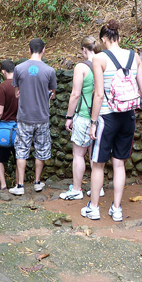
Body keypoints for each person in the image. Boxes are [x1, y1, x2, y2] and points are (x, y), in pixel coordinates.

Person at [83, 20, 142, 221]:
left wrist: (93, 122)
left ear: (103, 39)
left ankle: (94, 208)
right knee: (119, 163)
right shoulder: (134, 56)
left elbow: (99, 94)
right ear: (119, 38)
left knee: (98, 164)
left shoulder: (100, 58)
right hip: (128, 117)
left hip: (106, 117)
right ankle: (117, 209)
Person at [9, 38, 57, 195]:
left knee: (21, 150)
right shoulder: (50, 71)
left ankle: (20, 186)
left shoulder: (19, 68)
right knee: (41, 150)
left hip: (24, 117)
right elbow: (52, 94)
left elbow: (16, 92)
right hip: (42, 117)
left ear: (29, 50)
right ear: (44, 50)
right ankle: (37, 182)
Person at [60, 36, 105, 200]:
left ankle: (77, 189)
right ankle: (97, 188)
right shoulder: (104, 63)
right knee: (96, 154)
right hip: (101, 116)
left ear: (84, 49)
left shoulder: (82, 67)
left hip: (85, 115)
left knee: (79, 154)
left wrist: (69, 116)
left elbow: (75, 94)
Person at [0, 60, 19, 190]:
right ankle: (19, 184)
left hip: (5, 129)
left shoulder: (3, 87)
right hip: (20, 127)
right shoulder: (21, 85)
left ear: (3, 71)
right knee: (19, 157)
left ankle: (3, 186)